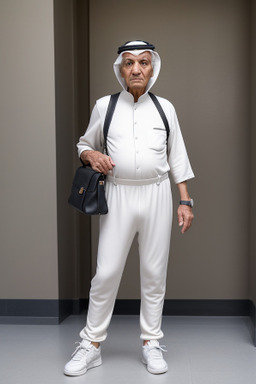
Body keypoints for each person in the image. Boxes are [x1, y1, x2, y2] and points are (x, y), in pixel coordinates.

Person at [64, 40, 194, 376]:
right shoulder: (104, 106)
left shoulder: (165, 108)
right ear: (120, 69)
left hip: (156, 196)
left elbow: (176, 155)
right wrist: (90, 155)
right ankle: (91, 345)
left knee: (154, 273)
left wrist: (185, 200)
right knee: (106, 272)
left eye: (143, 63)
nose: (136, 69)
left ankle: (151, 342)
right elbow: (84, 144)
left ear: (153, 68)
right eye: (129, 63)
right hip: (118, 195)